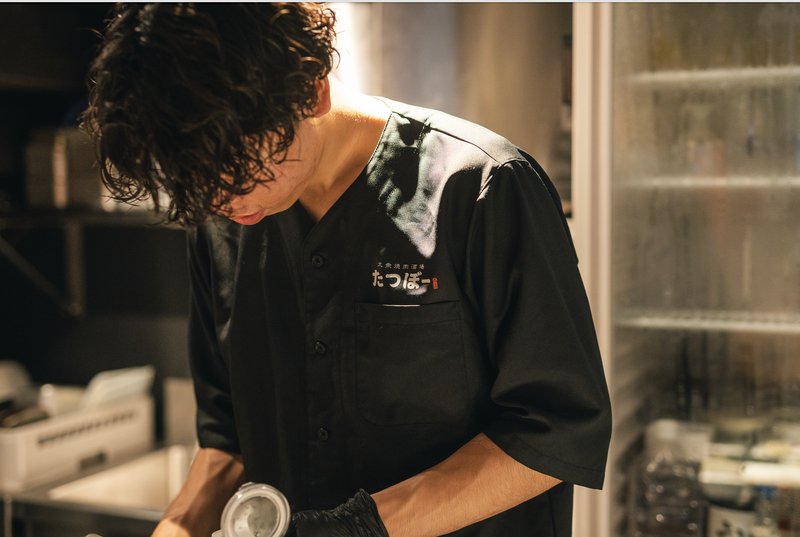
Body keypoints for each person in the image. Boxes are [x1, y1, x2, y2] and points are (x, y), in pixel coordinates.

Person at [83, 3, 612, 537]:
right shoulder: (224, 219)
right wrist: (176, 527)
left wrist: (360, 528)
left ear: (311, 91)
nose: (217, 198)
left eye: (234, 167)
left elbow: (556, 428)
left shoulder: (482, 188)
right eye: (193, 179)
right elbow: (228, 437)